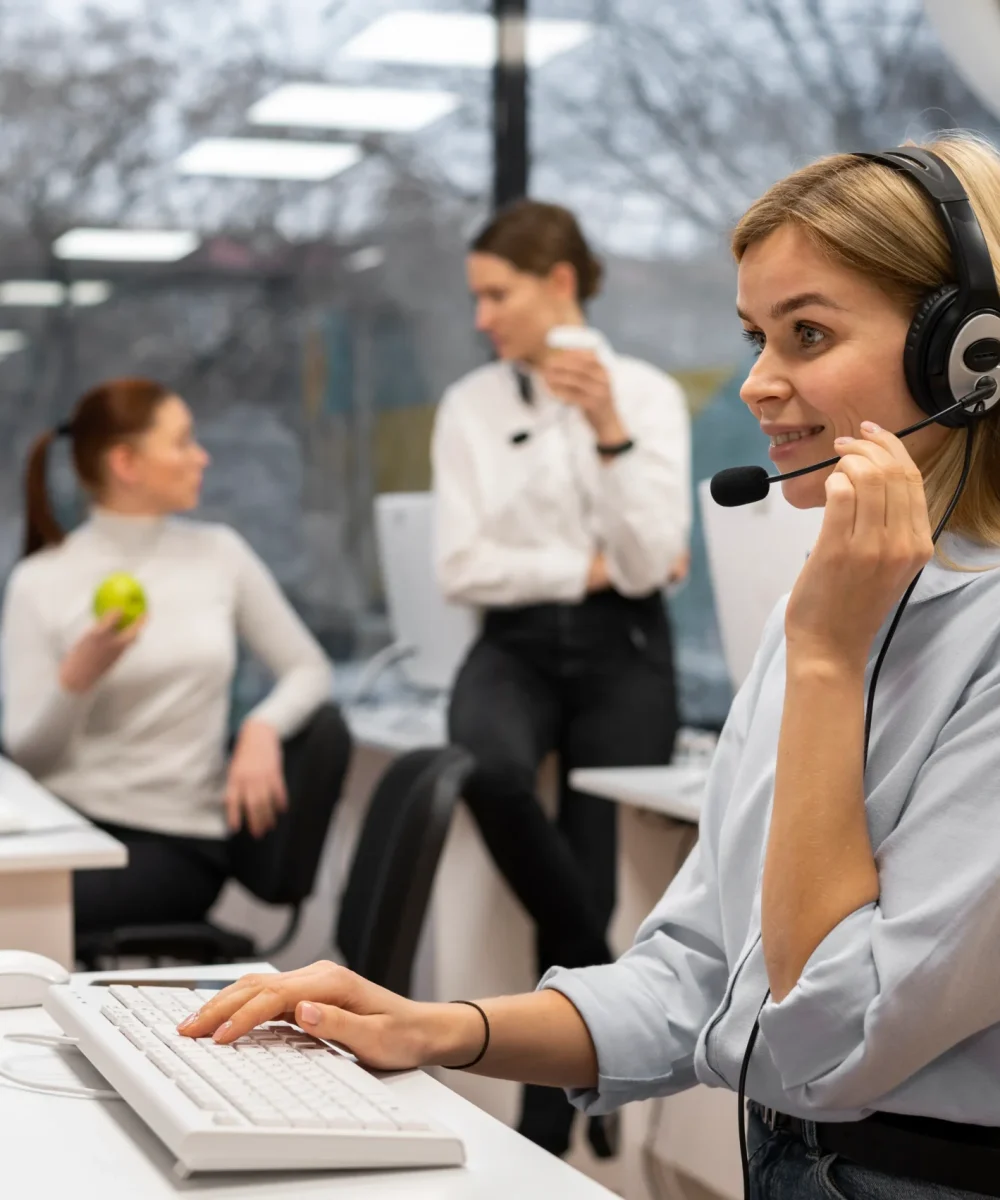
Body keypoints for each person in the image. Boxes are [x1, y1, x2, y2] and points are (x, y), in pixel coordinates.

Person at [180, 134, 1000, 1198]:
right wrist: (434, 1026)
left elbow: (822, 1048)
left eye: (805, 333)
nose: (756, 384)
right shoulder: (836, 613)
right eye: (753, 335)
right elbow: (694, 977)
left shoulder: (848, 638)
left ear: (969, 352)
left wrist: (828, 667)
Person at [432, 200, 691, 1155]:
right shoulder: (471, 406)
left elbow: (651, 556)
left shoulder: (648, 395)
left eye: (495, 294)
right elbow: (461, 568)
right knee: (486, 766)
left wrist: (607, 427)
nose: (482, 317)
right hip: (513, 646)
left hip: (624, 650)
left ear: (560, 285)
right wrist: (575, 568)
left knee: (588, 856)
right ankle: (597, 988)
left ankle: (546, 1123)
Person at [0, 377, 341, 939]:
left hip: (175, 844)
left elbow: (310, 669)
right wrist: (76, 680)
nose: (201, 457)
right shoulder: (40, 580)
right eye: (182, 442)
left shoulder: (220, 554)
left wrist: (261, 726)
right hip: (66, 831)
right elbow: (30, 758)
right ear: (126, 464)